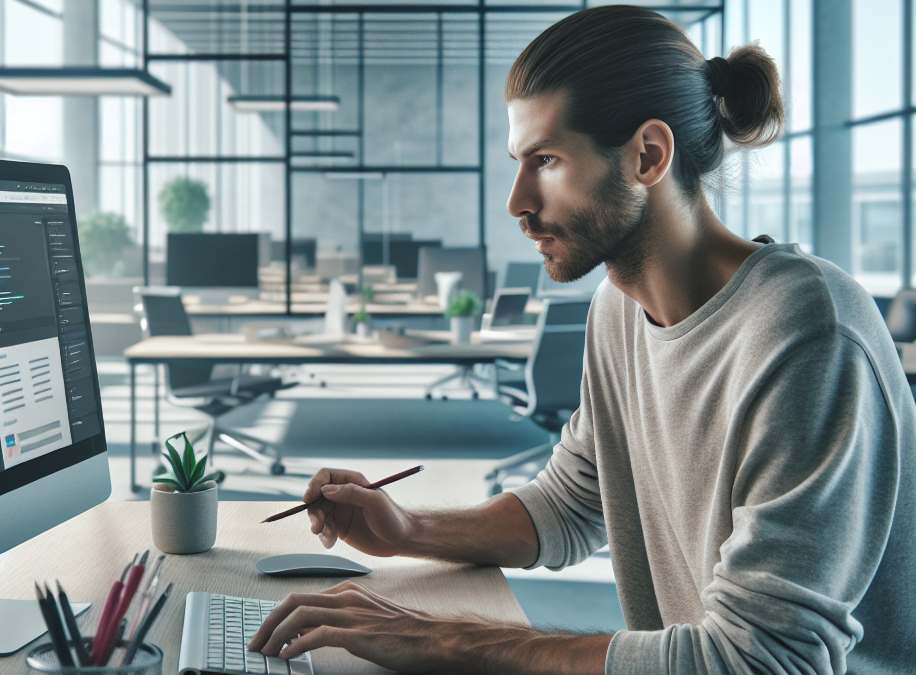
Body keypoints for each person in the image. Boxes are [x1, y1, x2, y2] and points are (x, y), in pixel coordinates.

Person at [248, 6, 916, 674]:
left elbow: (761, 660)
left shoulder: (808, 336)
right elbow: (569, 506)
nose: (516, 200)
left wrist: (442, 638)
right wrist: (408, 529)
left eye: (545, 160)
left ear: (648, 156)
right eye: (519, 162)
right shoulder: (617, 309)